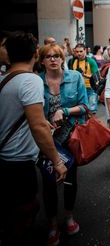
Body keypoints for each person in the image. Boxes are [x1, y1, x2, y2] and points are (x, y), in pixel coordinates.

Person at [0, 32, 67, 246]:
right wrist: (57, 161)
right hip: (18, 160)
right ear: (36, 54)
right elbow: (38, 126)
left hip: (5, 157)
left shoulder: (4, 79)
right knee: (24, 211)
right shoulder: (30, 81)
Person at [38, 42, 88, 246]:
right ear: (42, 61)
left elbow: (85, 106)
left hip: (70, 137)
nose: (52, 59)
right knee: (49, 183)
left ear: (62, 58)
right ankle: (52, 226)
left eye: (56, 56)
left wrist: (65, 111)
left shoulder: (75, 77)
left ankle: (68, 217)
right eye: (48, 56)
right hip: (45, 139)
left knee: (70, 180)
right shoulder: (36, 82)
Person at [68, 43, 99, 113]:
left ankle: (92, 124)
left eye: (81, 51)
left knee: (92, 110)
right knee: (81, 111)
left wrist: (83, 75)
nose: (79, 53)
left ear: (85, 51)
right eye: (77, 52)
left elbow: (96, 77)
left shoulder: (91, 61)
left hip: (90, 88)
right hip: (77, 89)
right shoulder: (72, 61)